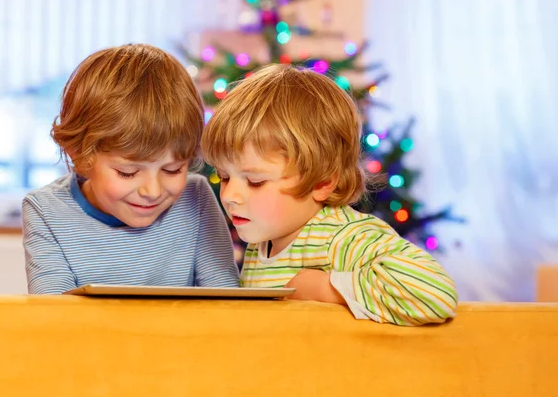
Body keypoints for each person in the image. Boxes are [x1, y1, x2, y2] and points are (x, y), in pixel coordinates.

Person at [201, 64, 457, 325]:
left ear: (322, 181)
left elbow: (434, 293)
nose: (230, 195)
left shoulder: (341, 237)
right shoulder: (264, 241)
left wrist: (326, 288)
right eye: (224, 176)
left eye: (255, 181)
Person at [23, 44, 239, 294]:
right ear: (80, 156)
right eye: (128, 173)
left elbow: (227, 304)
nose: (152, 191)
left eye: (172, 170)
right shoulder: (45, 210)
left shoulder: (196, 198)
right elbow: (52, 318)